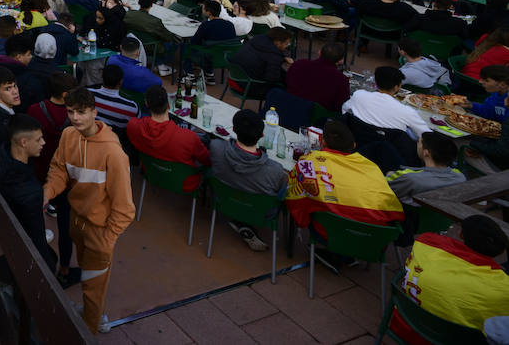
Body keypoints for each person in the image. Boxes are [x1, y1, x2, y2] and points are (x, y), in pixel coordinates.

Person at [42, 87, 134, 334]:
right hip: (76, 221)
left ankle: (89, 331)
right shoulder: (68, 135)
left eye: (81, 112)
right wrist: (47, 192)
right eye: (71, 112)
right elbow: (59, 169)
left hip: (99, 229)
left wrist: (108, 238)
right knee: (88, 278)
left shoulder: (113, 153)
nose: (75, 117)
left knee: (94, 288)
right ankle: (94, 316)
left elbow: (124, 208)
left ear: (94, 112)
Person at [286, 120, 403, 244]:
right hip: (369, 242)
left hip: (326, 235)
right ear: (353, 145)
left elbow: (296, 203)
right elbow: (395, 214)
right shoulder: (372, 168)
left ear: (323, 142)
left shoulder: (308, 163)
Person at [396, 214, 509, 337]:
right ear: (500, 251)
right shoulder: (502, 288)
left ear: (461, 235)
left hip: (404, 325)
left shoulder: (424, 242)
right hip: (444, 339)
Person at [0, 114, 58, 269]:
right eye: (38, 139)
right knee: (52, 259)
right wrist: (49, 267)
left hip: (5, 226)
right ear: (23, 142)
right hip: (21, 238)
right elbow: (37, 239)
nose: (43, 143)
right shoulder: (31, 192)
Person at [206, 108, 289, 252]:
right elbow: (279, 191)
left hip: (224, 200)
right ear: (262, 135)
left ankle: (238, 219)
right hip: (260, 213)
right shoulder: (276, 170)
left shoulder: (216, 148)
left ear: (233, 129)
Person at [126, 86, 210, 191]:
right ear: (169, 105)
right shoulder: (189, 138)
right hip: (185, 183)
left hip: (151, 171)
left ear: (147, 104)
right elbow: (207, 161)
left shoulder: (133, 126)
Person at [342, 66, 431, 139]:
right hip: (390, 153)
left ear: (376, 83)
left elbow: (344, 110)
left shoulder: (359, 95)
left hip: (359, 141)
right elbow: (427, 135)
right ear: (397, 87)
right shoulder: (407, 112)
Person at [385, 132, 465, 207]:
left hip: (406, 215)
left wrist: (390, 174)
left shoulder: (410, 178)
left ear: (426, 153)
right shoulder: (460, 177)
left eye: (418, 142)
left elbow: (384, 190)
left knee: (383, 147)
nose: (417, 144)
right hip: (438, 216)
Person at [284, 42, 352, 113]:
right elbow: (341, 105)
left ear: (319, 53)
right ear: (341, 60)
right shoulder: (341, 79)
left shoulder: (299, 63)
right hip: (315, 116)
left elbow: (287, 82)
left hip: (288, 105)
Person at [231, 27, 293, 95]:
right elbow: (272, 79)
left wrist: (282, 58)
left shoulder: (256, 40)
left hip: (233, 78)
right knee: (287, 89)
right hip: (247, 86)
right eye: (286, 43)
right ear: (278, 42)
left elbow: (262, 56)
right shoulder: (274, 56)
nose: (286, 46)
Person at [89, 63, 139, 132]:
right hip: (116, 139)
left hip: (91, 132)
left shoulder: (87, 94)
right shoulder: (132, 108)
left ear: (102, 77)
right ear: (121, 82)